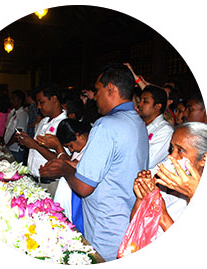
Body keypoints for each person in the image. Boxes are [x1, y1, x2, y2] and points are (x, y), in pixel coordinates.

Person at [39, 63, 149, 261]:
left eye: (97, 90)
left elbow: (83, 186)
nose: (95, 96)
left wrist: (64, 168)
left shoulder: (107, 125)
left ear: (111, 89)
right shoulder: (138, 122)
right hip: (125, 223)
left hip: (104, 229)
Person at [131, 122, 207, 235]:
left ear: (204, 159)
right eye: (172, 149)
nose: (171, 156)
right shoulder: (166, 182)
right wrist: (142, 199)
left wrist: (163, 216)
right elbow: (135, 227)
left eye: (180, 150)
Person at [36, 119, 91, 234]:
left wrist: (58, 159)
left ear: (78, 135)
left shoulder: (91, 147)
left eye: (70, 146)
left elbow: (77, 165)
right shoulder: (79, 148)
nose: (71, 150)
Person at [16, 84, 67, 198]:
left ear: (54, 99)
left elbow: (64, 162)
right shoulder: (43, 121)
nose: (38, 107)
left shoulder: (65, 124)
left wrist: (35, 146)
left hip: (51, 184)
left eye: (41, 102)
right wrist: (26, 142)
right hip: (35, 180)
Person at [137, 85, 174, 169]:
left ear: (157, 107)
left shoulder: (165, 130)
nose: (139, 104)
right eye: (140, 100)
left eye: (145, 102)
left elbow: (147, 162)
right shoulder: (138, 125)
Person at [4, 90, 28, 163]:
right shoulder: (11, 113)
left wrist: (7, 145)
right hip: (8, 146)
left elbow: (18, 132)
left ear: (19, 100)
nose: (11, 101)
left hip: (15, 148)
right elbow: (6, 129)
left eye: (13, 99)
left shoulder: (22, 114)